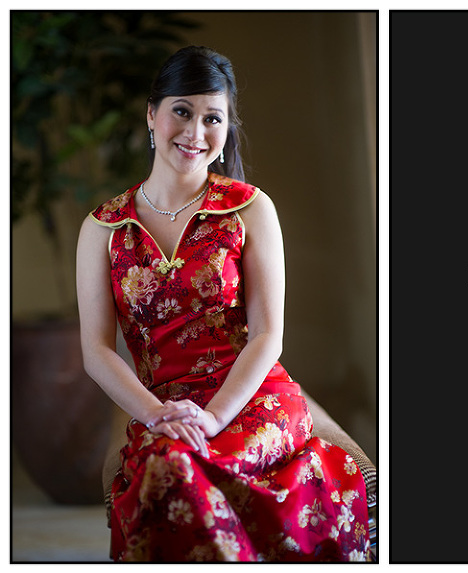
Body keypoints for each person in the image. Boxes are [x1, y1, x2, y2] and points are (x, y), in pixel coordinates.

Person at [76, 46, 370, 562]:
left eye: (213, 118)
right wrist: (159, 415)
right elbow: (97, 351)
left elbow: (267, 336)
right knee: (170, 467)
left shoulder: (249, 208)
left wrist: (211, 420)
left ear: (227, 126)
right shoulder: (103, 228)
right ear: (152, 114)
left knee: (198, 465)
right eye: (181, 111)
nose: (195, 132)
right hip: (164, 407)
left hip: (250, 399)